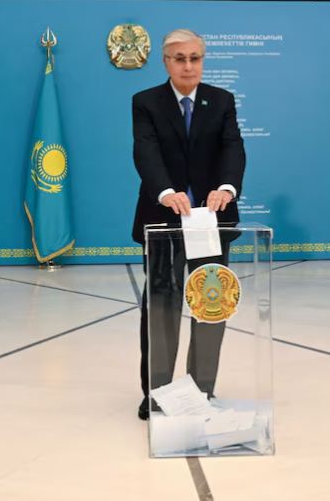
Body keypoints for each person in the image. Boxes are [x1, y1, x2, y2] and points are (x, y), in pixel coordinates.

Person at [132, 28, 246, 420]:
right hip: (163, 223)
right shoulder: (146, 102)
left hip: (212, 223)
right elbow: (146, 152)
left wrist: (226, 188)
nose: (188, 65)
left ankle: (202, 388)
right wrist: (166, 191)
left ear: (203, 60)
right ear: (165, 61)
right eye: (179, 58)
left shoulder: (222, 101)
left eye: (195, 57)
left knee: (210, 306)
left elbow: (233, 147)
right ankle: (158, 391)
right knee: (162, 308)